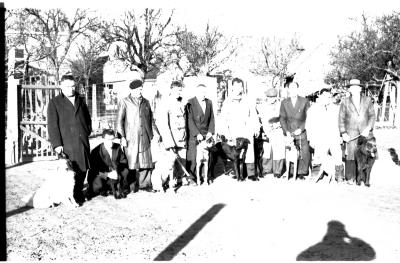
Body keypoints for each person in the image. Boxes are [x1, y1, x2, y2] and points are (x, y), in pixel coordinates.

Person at [47, 74, 92, 205]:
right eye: (67, 86)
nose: (71, 89)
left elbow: (87, 118)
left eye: (73, 86)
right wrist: (57, 144)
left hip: (82, 140)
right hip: (67, 142)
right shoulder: (55, 102)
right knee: (71, 170)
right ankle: (70, 195)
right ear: (61, 86)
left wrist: (86, 131)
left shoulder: (81, 99)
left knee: (84, 168)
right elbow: (52, 125)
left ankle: (78, 192)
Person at [116, 77, 162, 192]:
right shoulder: (125, 101)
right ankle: (130, 185)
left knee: (146, 161)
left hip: (145, 136)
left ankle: (145, 184)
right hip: (131, 137)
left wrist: (156, 133)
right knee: (131, 161)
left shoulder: (146, 102)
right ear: (131, 90)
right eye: (137, 89)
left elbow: (151, 120)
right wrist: (122, 137)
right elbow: (119, 121)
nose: (139, 91)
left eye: (141, 89)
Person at [219, 77, 261, 179]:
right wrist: (226, 133)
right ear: (232, 87)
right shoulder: (227, 102)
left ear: (242, 88)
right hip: (234, 131)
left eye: (240, 87)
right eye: (236, 87)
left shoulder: (248, 100)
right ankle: (237, 172)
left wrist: (256, 128)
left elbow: (254, 115)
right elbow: (223, 118)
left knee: (249, 151)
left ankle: (251, 174)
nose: (239, 89)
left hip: (247, 129)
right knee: (236, 152)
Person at [338, 79, 375, 184]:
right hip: (351, 133)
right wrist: (344, 133)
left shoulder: (368, 100)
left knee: (366, 155)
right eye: (352, 87)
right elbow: (341, 119)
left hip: (366, 133)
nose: (354, 89)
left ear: (360, 89)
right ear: (349, 89)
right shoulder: (344, 101)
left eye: (356, 87)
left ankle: (363, 178)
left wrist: (368, 128)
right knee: (351, 154)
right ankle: (350, 177)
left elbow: (372, 116)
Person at [307, 90, 344, 182]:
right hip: (320, 138)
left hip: (333, 136)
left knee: (338, 155)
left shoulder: (334, 108)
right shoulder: (313, 109)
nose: (328, 99)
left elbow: (338, 124)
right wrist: (311, 139)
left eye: (329, 97)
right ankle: (316, 175)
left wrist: (339, 136)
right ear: (320, 97)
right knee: (318, 157)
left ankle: (339, 176)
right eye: (326, 97)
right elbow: (309, 125)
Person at [157, 80, 188, 188]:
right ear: (171, 89)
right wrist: (169, 142)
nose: (179, 92)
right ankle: (162, 183)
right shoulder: (164, 102)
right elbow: (162, 123)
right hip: (171, 138)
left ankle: (179, 178)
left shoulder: (182, 101)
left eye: (180, 90)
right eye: (177, 90)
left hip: (181, 137)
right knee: (169, 162)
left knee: (181, 159)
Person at [279, 82, 311, 179]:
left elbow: (308, 117)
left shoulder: (305, 101)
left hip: (301, 131)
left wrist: (301, 129)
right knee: (289, 152)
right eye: (291, 88)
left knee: (304, 151)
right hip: (289, 132)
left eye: (295, 88)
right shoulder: (284, 102)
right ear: (288, 90)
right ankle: (291, 172)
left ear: (298, 89)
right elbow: (282, 118)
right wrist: (286, 131)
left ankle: (301, 172)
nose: (293, 90)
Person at [86, 129, 129, 199]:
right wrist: (107, 174)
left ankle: (112, 188)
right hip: (102, 174)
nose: (111, 142)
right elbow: (93, 169)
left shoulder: (117, 147)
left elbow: (123, 161)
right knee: (97, 186)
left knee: (125, 171)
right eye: (108, 140)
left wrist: (117, 171)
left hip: (115, 172)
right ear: (103, 139)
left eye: (112, 139)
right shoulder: (95, 151)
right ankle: (105, 189)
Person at [186, 83, 215, 183]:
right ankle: (192, 178)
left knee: (207, 157)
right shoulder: (190, 102)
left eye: (205, 92)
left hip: (206, 135)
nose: (203, 94)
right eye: (201, 92)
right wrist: (196, 133)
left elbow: (212, 118)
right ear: (197, 92)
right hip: (194, 135)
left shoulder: (209, 102)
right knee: (193, 157)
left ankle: (205, 176)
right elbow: (189, 120)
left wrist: (211, 132)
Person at [256, 88, 286, 178]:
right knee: (267, 150)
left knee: (279, 150)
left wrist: (278, 125)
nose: (271, 99)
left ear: (276, 97)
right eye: (269, 97)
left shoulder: (281, 105)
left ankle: (278, 170)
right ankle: (267, 169)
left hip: (278, 130)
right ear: (267, 97)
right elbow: (262, 119)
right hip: (267, 130)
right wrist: (266, 130)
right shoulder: (263, 106)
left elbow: (284, 117)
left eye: (273, 97)